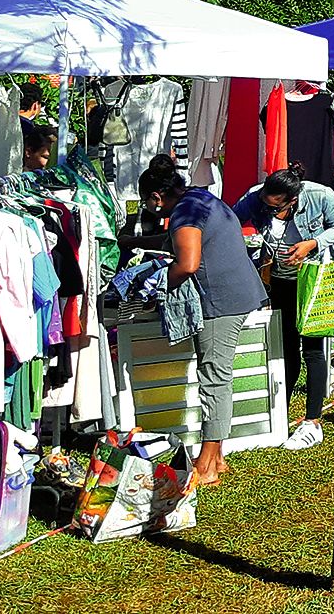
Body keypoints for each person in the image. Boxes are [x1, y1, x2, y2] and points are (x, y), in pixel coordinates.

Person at [141, 155, 267, 487]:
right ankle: (217, 457)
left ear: (156, 197)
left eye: (150, 205)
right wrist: (132, 242)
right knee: (217, 374)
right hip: (239, 292)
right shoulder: (200, 198)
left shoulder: (183, 212)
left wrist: (152, 282)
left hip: (221, 301)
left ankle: (207, 464)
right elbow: (184, 242)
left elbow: (188, 263)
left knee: (214, 377)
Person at [232, 162, 334, 451]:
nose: (268, 210)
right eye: (266, 205)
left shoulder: (320, 196)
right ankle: (278, 415)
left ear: (292, 201)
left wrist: (312, 244)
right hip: (280, 280)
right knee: (285, 347)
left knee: (313, 348)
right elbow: (232, 221)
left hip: (314, 279)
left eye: (276, 207)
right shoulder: (254, 197)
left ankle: (313, 422)